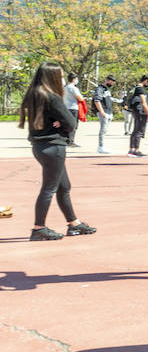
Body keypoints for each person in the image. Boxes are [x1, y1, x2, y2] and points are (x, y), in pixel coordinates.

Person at [19, 62, 97, 241]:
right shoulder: (52, 97)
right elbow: (70, 123)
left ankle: (74, 223)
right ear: (53, 77)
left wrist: (59, 122)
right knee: (49, 188)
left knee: (64, 186)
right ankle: (39, 228)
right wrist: (61, 123)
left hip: (39, 146)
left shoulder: (33, 94)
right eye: (60, 76)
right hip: (53, 146)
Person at [127, 75, 148, 157]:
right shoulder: (141, 89)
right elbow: (144, 103)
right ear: (145, 80)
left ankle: (131, 149)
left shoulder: (135, 87)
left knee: (135, 130)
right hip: (140, 110)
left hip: (135, 110)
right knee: (139, 130)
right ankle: (136, 150)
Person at [92, 74, 115, 154]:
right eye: (111, 82)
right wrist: (101, 111)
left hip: (108, 112)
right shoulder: (99, 89)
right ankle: (100, 146)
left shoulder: (107, 89)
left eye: (113, 83)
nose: (112, 84)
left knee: (105, 130)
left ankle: (102, 146)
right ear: (106, 80)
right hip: (103, 112)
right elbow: (97, 100)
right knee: (103, 129)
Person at [63, 73, 82, 147]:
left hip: (66, 107)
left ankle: (66, 140)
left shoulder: (65, 87)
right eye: (76, 79)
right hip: (73, 108)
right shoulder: (73, 88)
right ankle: (71, 141)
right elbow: (80, 98)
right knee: (74, 125)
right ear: (74, 79)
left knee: (67, 124)